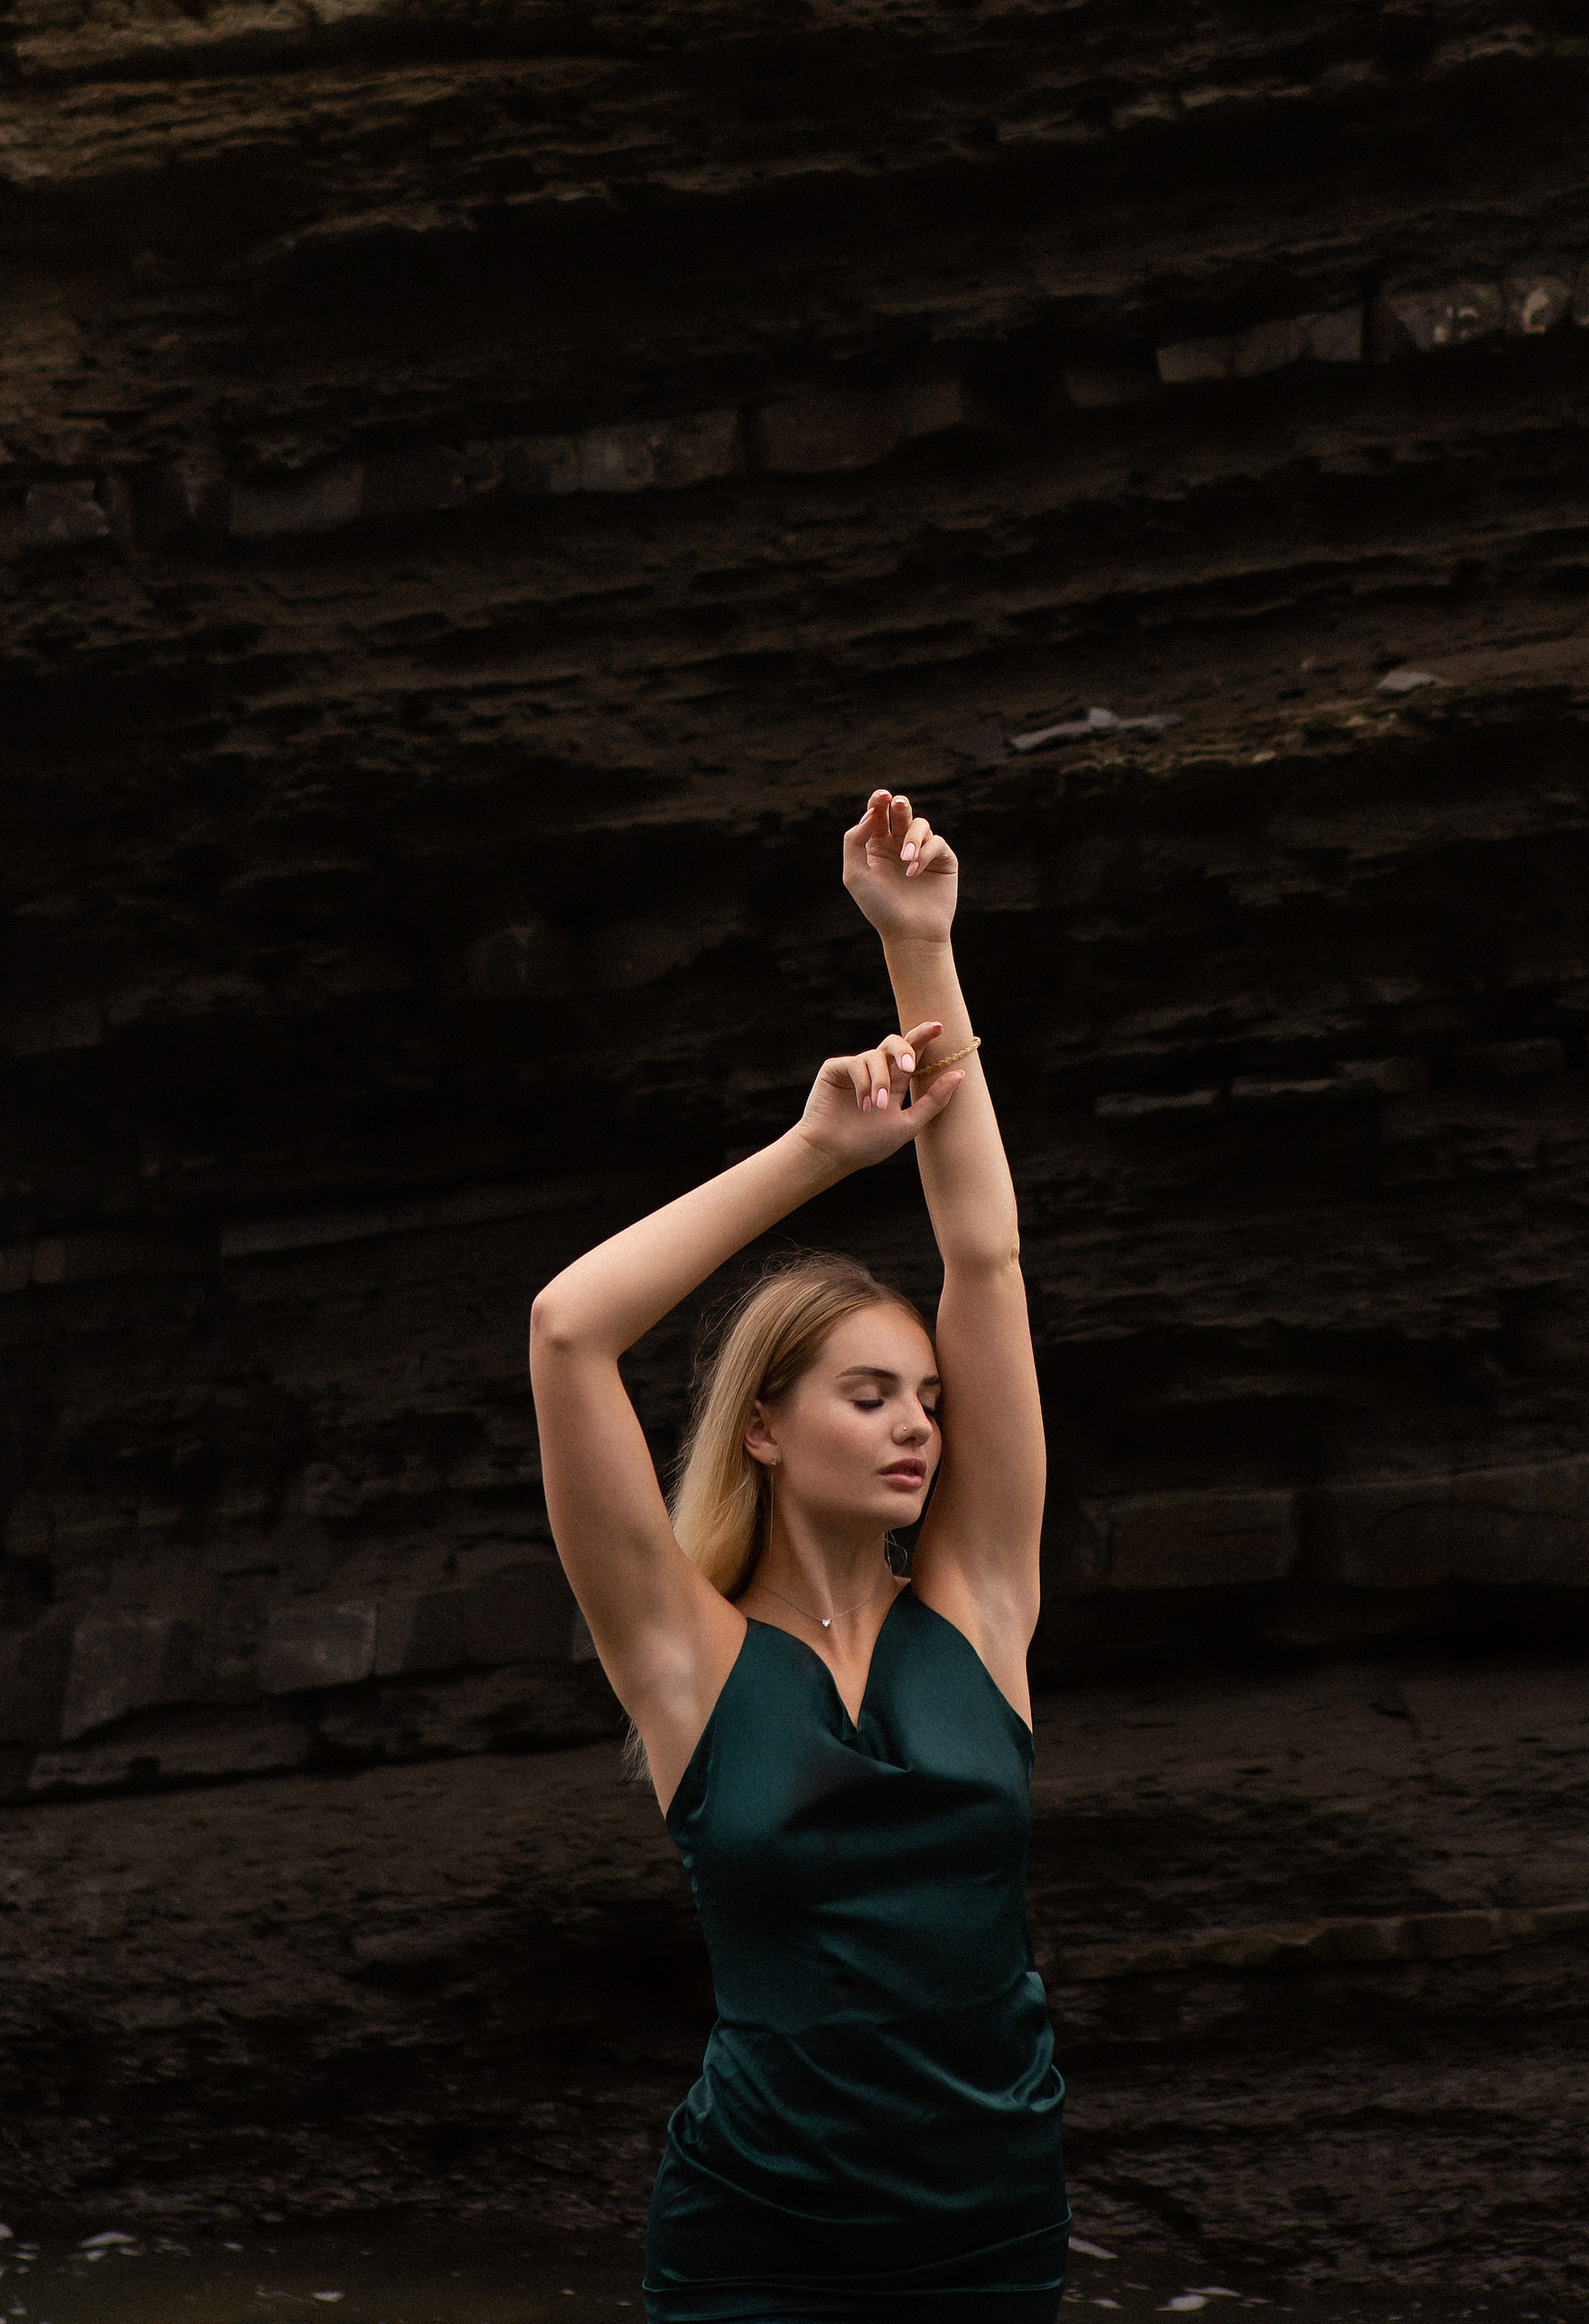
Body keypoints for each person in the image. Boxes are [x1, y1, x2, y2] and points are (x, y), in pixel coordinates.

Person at [529, 787, 1068, 2324]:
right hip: (759, 2246)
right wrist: (816, 1153)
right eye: (869, 1393)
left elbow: (985, 1252)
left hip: (989, 2232)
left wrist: (921, 950)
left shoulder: (980, 1610)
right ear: (764, 1427)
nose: (919, 1429)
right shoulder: (684, 1660)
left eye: (931, 1400)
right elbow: (571, 1330)